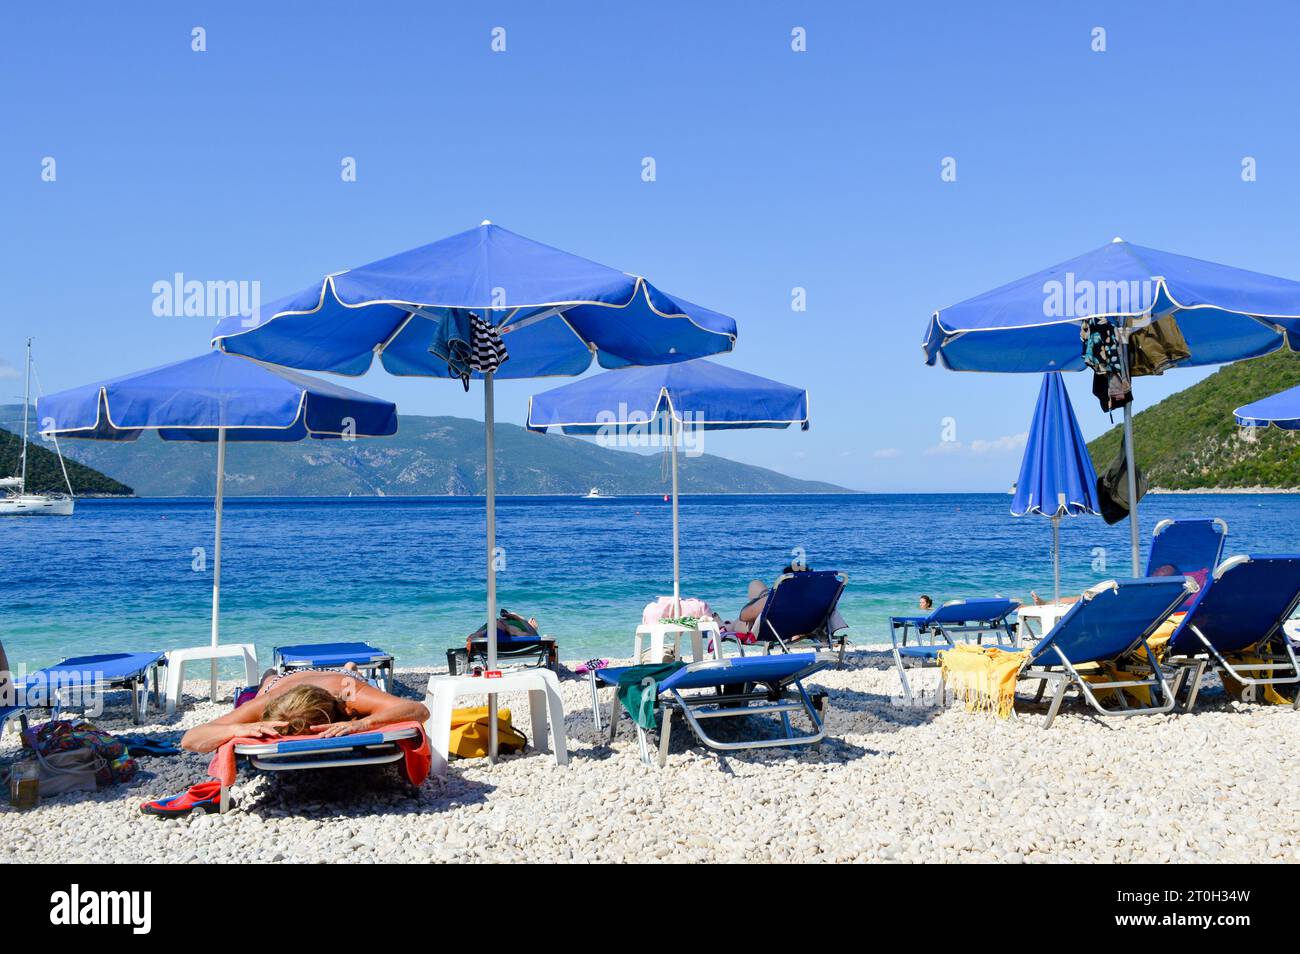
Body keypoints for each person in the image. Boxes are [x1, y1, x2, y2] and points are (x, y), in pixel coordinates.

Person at [180, 664, 428, 754]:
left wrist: (360, 723)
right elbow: (190, 739)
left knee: (351, 675)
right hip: (281, 684)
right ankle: (271, 672)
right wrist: (238, 727)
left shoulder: (348, 692)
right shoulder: (266, 704)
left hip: (339, 677)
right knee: (267, 680)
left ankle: (350, 666)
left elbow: (417, 709)